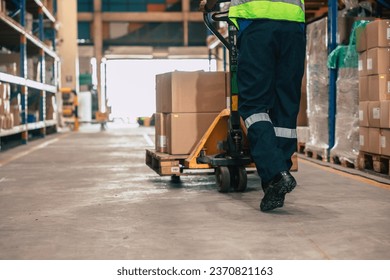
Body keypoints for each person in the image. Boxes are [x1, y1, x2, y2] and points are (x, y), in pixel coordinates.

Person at [202, 0, 306, 212]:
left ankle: (276, 174)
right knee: (285, 105)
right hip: (293, 26)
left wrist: (208, 4)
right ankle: (277, 177)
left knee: (254, 107)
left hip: (258, 26)